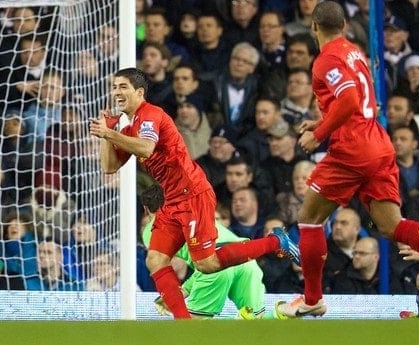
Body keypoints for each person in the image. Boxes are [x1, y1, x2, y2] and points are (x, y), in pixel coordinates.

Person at [275, 2, 419, 319]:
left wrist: (320, 132)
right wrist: (321, 120)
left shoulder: (326, 59)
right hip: (378, 143)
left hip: (352, 149)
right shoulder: (354, 52)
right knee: (393, 226)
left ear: (314, 26)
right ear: (345, 24)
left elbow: (347, 99)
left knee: (308, 220)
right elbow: (360, 101)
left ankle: (312, 299)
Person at [89, 67, 297, 319]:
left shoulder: (151, 114)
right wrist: (105, 134)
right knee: (155, 260)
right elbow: (109, 167)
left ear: (139, 92)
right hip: (172, 199)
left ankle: (275, 242)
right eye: (114, 87)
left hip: (192, 193)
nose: (116, 92)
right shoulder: (128, 129)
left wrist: (110, 133)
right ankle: (184, 324)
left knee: (206, 264)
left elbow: (145, 148)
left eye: (123, 87)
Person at [140, 183, 269, 319]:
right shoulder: (195, 214)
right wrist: (185, 290)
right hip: (245, 261)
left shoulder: (152, 229)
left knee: (195, 331)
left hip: (214, 265)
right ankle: (283, 311)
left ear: (146, 209)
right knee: (256, 325)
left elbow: (164, 271)